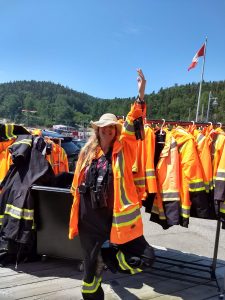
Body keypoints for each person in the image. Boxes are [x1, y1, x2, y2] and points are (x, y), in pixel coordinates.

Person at [69, 69, 155, 300]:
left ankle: (110, 258)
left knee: (145, 258)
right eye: (103, 128)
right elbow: (76, 186)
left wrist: (141, 94)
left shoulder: (124, 148)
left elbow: (133, 122)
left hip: (117, 217)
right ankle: (92, 295)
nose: (108, 131)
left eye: (111, 128)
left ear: (116, 131)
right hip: (89, 218)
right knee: (89, 268)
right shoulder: (87, 153)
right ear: (97, 130)